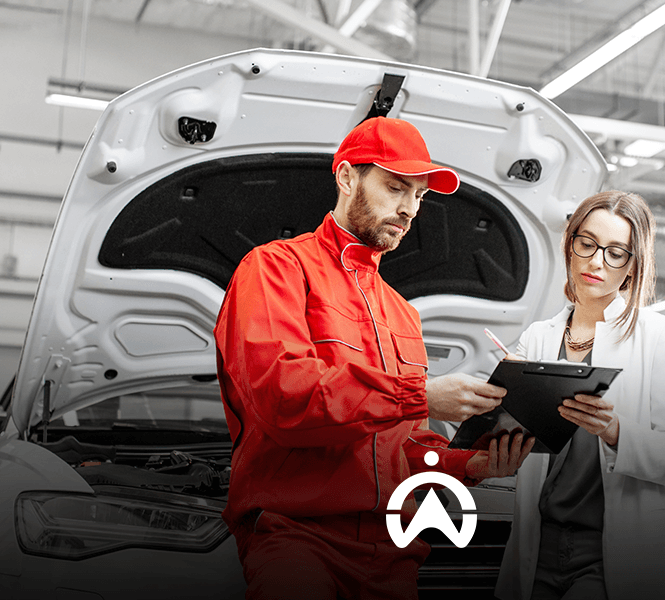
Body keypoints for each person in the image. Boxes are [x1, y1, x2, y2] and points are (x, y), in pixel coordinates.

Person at [213, 116, 534, 600]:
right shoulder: (275, 269)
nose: (409, 209)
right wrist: (418, 395)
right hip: (299, 542)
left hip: (394, 554)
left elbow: (403, 448)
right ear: (346, 178)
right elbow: (285, 398)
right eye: (396, 188)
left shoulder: (402, 314)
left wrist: (470, 464)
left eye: (420, 197)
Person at [495, 191, 665, 600]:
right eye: (587, 244)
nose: (596, 262)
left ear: (631, 267)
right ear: (569, 244)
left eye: (615, 253)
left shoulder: (659, 337)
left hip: (615, 552)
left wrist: (615, 430)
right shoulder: (538, 338)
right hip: (539, 544)